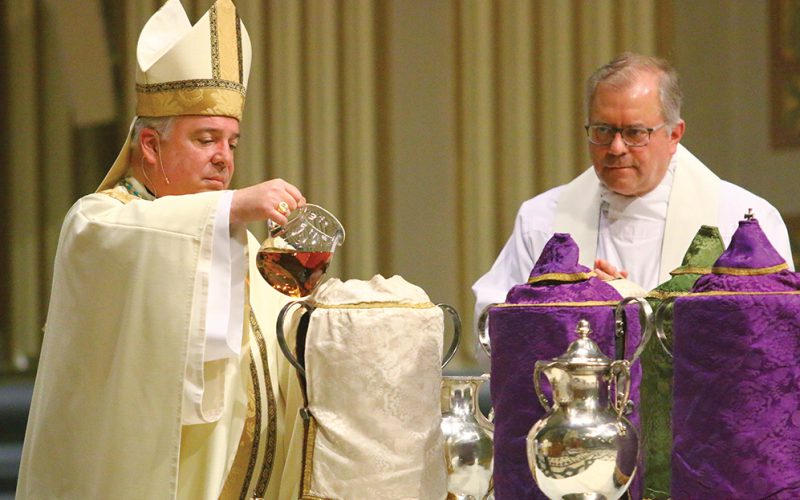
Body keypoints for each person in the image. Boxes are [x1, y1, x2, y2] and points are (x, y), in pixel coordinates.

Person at [17, 1, 306, 498]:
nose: (224, 159)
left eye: (232, 144)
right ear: (150, 146)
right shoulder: (98, 222)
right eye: (206, 139)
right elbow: (151, 236)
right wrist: (233, 207)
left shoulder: (235, 234)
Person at [473, 52, 794, 323]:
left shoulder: (742, 222)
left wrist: (633, 307)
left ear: (674, 135)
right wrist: (568, 303)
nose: (616, 148)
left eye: (635, 133)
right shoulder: (542, 220)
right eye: (603, 130)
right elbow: (492, 323)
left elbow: (772, 332)